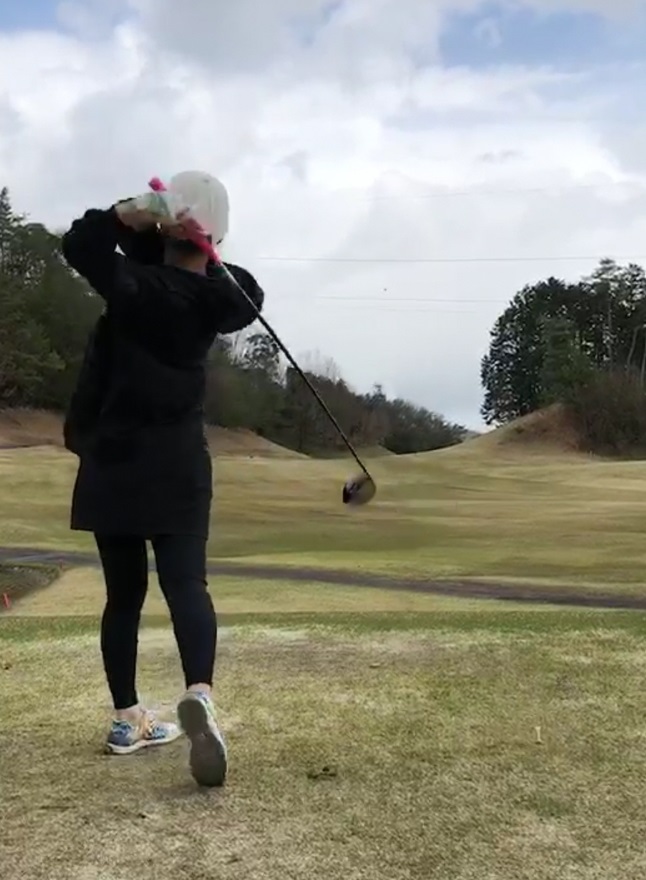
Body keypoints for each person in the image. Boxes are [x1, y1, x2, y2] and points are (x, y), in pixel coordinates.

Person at [61, 171, 264, 787]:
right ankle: (198, 692)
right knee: (186, 585)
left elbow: (81, 245)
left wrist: (138, 212)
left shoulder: (132, 285)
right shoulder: (215, 300)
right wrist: (197, 245)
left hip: (113, 462)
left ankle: (127, 718)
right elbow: (247, 294)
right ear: (214, 237)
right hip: (177, 463)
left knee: (123, 597)